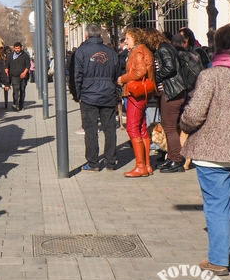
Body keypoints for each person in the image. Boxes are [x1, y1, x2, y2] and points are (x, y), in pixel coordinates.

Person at [181, 25, 230, 275]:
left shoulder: (211, 75)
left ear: (219, 46)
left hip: (212, 153)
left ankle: (219, 260)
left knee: (216, 205)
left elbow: (194, 115)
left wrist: (184, 125)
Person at [73, 24, 120, 171]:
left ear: (87, 35)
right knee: (110, 129)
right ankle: (110, 161)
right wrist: (115, 91)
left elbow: (76, 76)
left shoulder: (81, 52)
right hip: (108, 94)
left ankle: (93, 163)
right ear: (100, 34)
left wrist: (78, 95)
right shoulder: (111, 52)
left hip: (89, 96)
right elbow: (117, 74)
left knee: (91, 130)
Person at [145, 29, 188, 173]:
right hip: (171, 92)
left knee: (169, 128)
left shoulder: (163, 48)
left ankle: (176, 159)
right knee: (167, 126)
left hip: (172, 92)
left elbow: (170, 68)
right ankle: (171, 157)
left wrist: (155, 77)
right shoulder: (164, 48)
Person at [117, 27, 156, 178]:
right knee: (141, 127)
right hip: (142, 92)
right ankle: (146, 165)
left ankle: (141, 166)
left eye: (127, 38)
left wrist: (123, 78)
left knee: (133, 127)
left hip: (136, 92)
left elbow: (140, 71)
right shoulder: (143, 50)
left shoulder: (138, 51)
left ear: (135, 37)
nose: (125, 41)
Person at [5, 42, 31, 111]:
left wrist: (24, 73)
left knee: (22, 90)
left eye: (18, 48)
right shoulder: (10, 56)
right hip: (14, 76)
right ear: (14, 48)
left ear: (21, 48)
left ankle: (21, 104)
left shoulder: (25, 56)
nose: (17, 50)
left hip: (23, 76)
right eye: (16, 48)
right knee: (16, 89)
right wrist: (7, 72)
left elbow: (28, 66)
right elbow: (7, 65)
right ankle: (15, 104)